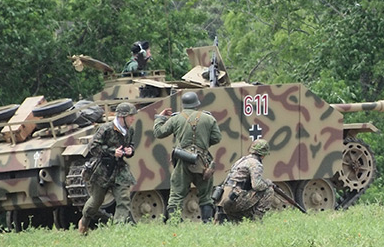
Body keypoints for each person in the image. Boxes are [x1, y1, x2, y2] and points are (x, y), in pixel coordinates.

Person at [153, 91, 221, 223]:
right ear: (197, 104)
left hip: (182, 160)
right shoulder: (208, 118)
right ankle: (207, 223)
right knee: (206, 196)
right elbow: (217, 138)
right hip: (203, 163)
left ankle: (174, 224)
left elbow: (159, 133)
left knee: (176, 195)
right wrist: (204, 144)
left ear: (183, 104)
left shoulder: (176, 118)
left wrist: (159, 118)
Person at [78, 102, 137, 234]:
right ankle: (84, 221)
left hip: (120, 170)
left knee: (124, 200)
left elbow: (131, 144)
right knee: (96, 202)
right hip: (103, 170)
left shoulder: (130, 130)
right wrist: (112, 152)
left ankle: (119, 230)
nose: (133, 119)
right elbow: (93, 147)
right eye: (130, 116)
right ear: (122, 117)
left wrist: (130, 150)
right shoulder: (105, 129)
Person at [215, 139, 275, 223]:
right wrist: (268, 183)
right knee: (269, 191)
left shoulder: (241, 160)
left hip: (225, 199)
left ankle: (237, 221)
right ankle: (256, 221)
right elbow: (257, 185)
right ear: (263, 154)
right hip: (235, 200)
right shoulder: (255, 164)